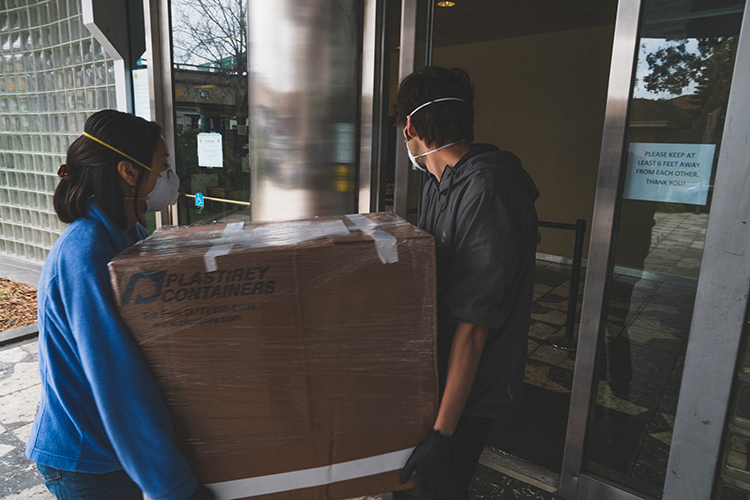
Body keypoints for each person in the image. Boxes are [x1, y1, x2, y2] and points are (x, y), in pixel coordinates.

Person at [26, 110, 213, 500]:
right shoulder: (87, 252)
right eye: (162, 166)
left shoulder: (130, 232)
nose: (168, 178)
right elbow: (117, 379)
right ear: (129, 172)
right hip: (89, 459)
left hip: (114, 449)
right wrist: (173, 487)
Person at [396, 67, 539, 499]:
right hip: (435, 379)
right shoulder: (439, 182)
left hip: (466, 397)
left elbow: (475, 327)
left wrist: (442, 435)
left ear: (411, 126)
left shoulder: (488, 190)